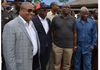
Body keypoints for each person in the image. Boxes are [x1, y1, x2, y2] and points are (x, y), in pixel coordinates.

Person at [3, 2, 40, 70]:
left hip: (34, 62)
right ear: (21, 10)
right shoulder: (11, 26)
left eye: (33, 11)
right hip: (21, 66)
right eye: (29, 10)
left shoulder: (31, 23)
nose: (32, 13)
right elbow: (8, 54)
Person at [52, 4, 76, 70]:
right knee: (56, 64)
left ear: (70, 9)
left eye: (68, 7)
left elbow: (75, 33)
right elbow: (52, 31)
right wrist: (53, 43)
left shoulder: (73, 19)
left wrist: (74, 45)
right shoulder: (55, 18)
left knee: (67, 65)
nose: (67, 8)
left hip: (69, 46)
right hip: (57, 45)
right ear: (61, 8)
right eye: (65, 7)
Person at [32, 2, 52, 70]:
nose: (46, 11)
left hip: (47, 47)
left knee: (44, 64)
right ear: (38, 11)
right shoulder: (33, 21)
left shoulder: (48, 21)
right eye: (44, 9)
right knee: (37, 65)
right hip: (38, 48)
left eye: (47, 9)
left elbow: (49, 34)